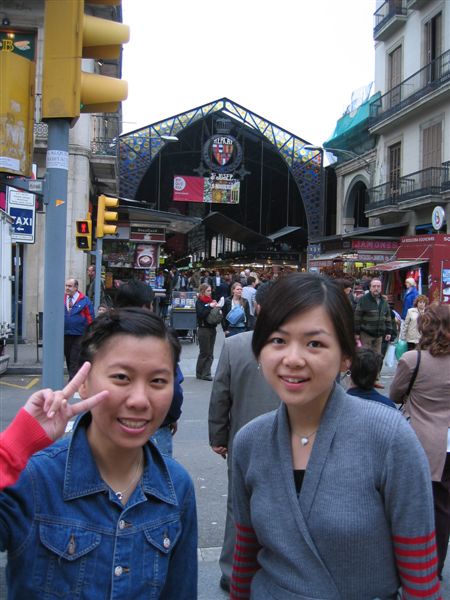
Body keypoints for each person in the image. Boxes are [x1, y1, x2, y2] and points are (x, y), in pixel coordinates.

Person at [230, 273, 440, 599]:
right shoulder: (249, 442)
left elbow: (421, 577)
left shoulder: (388, 436)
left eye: (315, 343)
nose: (293, 359)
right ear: (259, 350)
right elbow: (244, 562)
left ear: (345, 355)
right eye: (278, 340)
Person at [0, 308, 198, 599]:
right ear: (83, 381)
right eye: (121, 377)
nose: (140, 400)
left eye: (158, 381)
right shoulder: (33, 477)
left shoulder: (176, 485)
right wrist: (14, 445)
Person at [208, 281, 279, 593]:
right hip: (289, 444)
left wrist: (218, 436)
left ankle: (232, 569)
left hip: (241, 443)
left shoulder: (236, 346)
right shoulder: (301, 348)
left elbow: (221, 395)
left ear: (258, 307)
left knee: (238, 507)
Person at [390, 303, 450, 579]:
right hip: (448, 445)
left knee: (410, 506)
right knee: (442, 511)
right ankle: (434, 570)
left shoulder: (414, 361)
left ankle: (409, 566)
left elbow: (395, 393)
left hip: (417, 442)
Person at [0, 363, 107, 490]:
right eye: (121, 377)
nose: (137, 400)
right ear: (84, 384)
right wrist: (18, 443)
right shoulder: (35, 478)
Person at [115, 279, 184, 458]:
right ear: (147, 306)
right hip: (154, 427)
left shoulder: (102, 335)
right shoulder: (160, 337)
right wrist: (170, 416)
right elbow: (174, 390)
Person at [354, 277, 392, 388]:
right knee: (365, 357)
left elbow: (388, 317)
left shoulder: (384, 301)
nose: (376, 288)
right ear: (370, 288)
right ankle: (362, 379)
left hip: (379, 334)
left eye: (378, 286)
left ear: (381, 288)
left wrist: (389, 331)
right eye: (374, 286)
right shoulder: (363, 300)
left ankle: (374, 379)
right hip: (366, 333)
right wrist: (356, 333)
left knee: (377, 358)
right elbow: (357, 317)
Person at [64, 277, 94, 380]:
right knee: (68, 356)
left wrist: (90, 332)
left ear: (76, 287)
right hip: (65, 333)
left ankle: (73, 379)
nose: (67, 288)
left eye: (70, 286)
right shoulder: (62, 299)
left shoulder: (85, 301)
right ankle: (72, 376)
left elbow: (90, 317)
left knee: (74, 357)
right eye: (66, 286)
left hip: (79, 333)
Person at [195, 283, 219, 381]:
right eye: (208, 291)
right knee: (204, 352)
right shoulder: (199, 302)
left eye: (210, 291)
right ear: (203, 291)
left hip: (212, 328)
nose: (210, 292)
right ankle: (200, 373)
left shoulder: (211, 301)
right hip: (203, 329)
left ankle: (206, 373)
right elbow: (201, 314)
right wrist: (210, 306)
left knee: (210, 353)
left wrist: (218, 309)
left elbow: (214, 316)